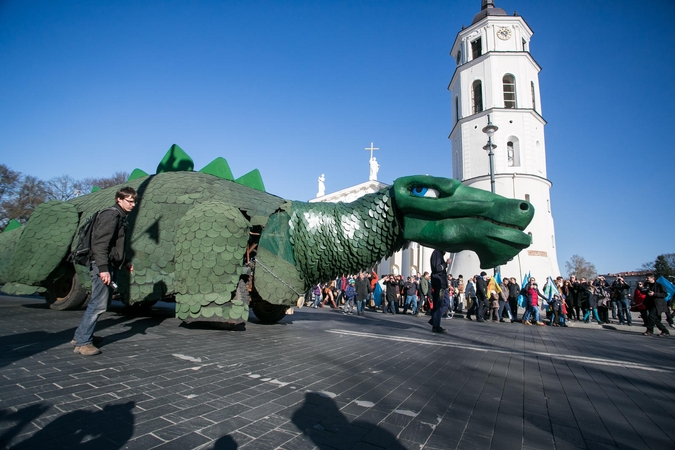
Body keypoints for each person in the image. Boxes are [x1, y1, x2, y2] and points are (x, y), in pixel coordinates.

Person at [72, 187, 138, 356]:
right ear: (119, 199)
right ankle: (83, 343)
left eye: (134, 201)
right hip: (102, 265)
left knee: (102, 302)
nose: (133, 204)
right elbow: (100, 244)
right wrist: (103, 269)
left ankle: (81, 335)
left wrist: (124, 263)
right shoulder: (112, 215)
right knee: (98, 304)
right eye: (129, 201)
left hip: (109, 264)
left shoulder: (120, 216)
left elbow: (115, 246)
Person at [429, 250, 451, 333]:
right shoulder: (437, 253)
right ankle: (436, 324)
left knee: (445, 303)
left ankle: (435, 320)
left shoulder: (439, 254)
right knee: (440, 304)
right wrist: (446, 263)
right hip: (439, 284)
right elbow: (437, 268)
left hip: (442, 284)